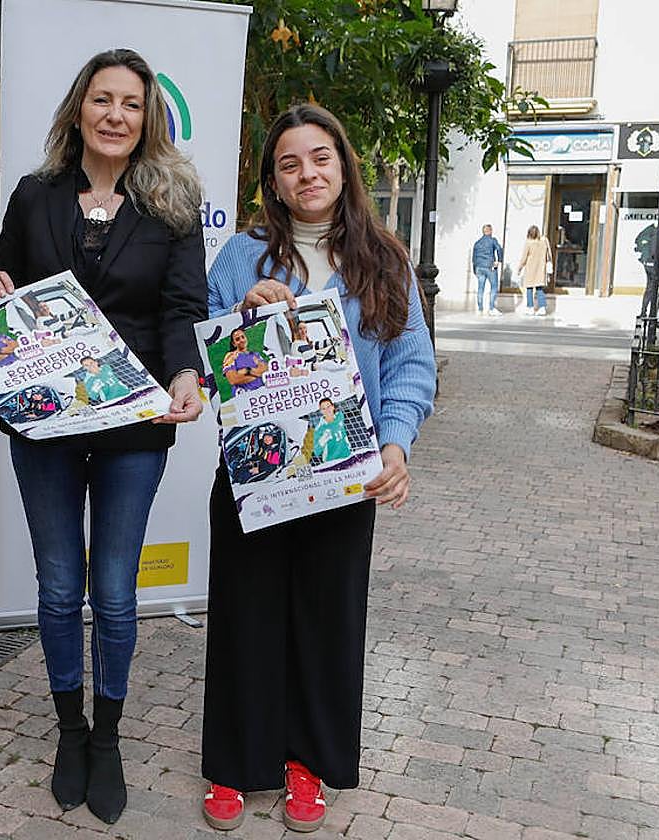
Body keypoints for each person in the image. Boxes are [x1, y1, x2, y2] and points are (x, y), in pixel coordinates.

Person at [0, 48, 205, 825]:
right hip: (45, 422)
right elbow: (2, 291)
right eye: (102, 100)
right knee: (60, 587)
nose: (114, 116)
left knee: (117, 594)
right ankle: (69, 729)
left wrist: (188, 376)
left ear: (148, 119)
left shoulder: (172, 203)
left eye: (130, 104)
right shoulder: (35, 197)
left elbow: (179, 308)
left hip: (135, 423)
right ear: (78, 109)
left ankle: (109, 736)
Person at [199, 103, 435, 833]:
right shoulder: (240, 256)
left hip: (344, 475)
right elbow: (204, 363)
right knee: (246, 617)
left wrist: (394, 444)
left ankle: (308, 762)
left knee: (327, 622)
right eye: (290, 163)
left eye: (320, 157)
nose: (308, 173)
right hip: (257, 473)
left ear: (343, 164)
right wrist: (244, 317)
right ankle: (238, 765)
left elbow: (411, 366)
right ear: (272, 179)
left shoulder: (384, 259)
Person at [516, 225, 552, 316]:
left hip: (530, 268)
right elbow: (549, 254)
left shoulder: (528, 243)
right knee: (539, 288)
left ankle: (530, 308)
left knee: (529, 288)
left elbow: (524, 258)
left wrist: (519, 268)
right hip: (541, 268)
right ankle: (542, 307)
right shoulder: (544, 241)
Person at [222, 328, 268, 393]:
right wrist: (258, 373)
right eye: (237, 339)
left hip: (262, 393)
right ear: (234, 343)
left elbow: (266, 371)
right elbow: (233, 379)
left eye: (243, 337)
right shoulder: (230, 356)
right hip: (244, 395)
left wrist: (247, 371)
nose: (241, 340)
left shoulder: (255, 354)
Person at [472, 224, 503, 316]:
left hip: (479, 267)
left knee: (480, 288)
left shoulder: (477, 243)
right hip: (490, 266)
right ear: (490, 231)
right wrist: (499, 261)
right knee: (494, 287)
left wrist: (475, 269)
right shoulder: (493, 240)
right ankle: (491, 308)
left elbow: (473, 258)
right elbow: (499, 249)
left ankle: (480, 308)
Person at [311, 397, 351, 463]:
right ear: (321, 411)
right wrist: (323, 440)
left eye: (328, 406)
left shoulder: (340, 416)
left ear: (333, 407)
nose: (327, 410)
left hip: (347, 455)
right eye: (323, 408)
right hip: (331, 461)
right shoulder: (319, 429)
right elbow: (316, 452)